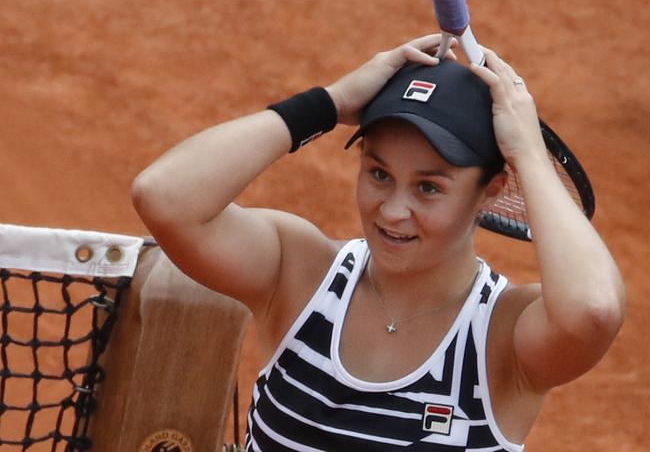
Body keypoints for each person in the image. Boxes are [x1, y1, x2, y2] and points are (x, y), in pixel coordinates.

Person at [131, 34, 625, 451]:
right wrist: (329, 103)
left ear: (490, 192)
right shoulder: (300, 277)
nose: (392, 210)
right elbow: (165, 198)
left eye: (428, 187)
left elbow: (593, 310)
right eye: (379, 173)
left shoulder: (502, 338)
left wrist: (528, 154)